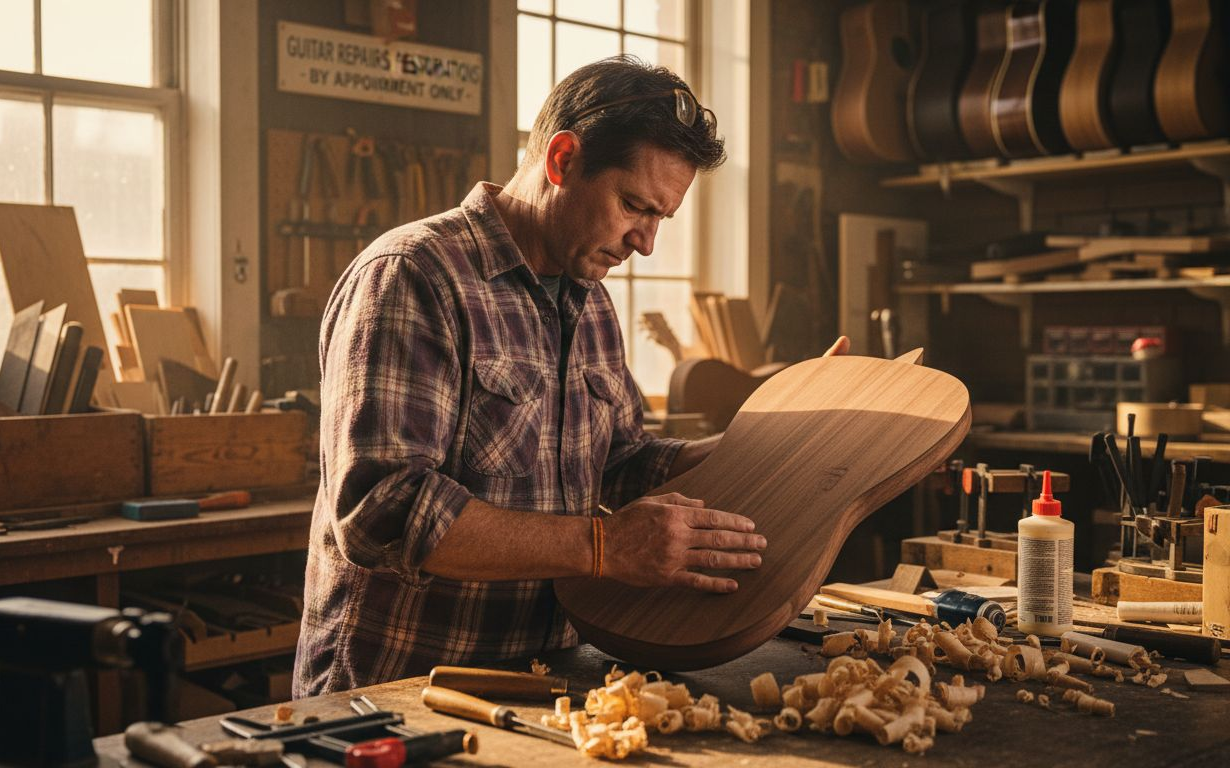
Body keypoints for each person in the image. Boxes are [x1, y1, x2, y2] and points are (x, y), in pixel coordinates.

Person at [294, 55, 848, 696]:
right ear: (561, 160)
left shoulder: (591, 303)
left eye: (661, 218)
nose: (645, 242)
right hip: (396, 691)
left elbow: (620, 463)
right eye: (633, 205)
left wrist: (762, 442)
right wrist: (605, 547)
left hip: (544, 680)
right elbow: (380, 511)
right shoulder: (413, 275)